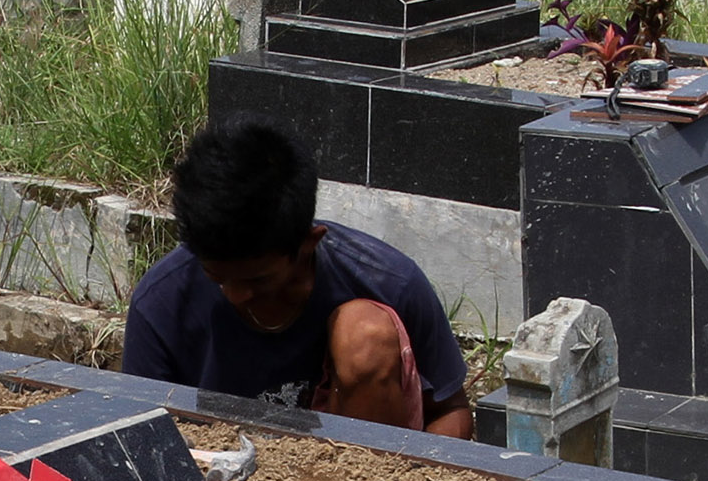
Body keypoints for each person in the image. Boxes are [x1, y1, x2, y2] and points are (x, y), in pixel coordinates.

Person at [123, 120, 474, 438]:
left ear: (308, 244)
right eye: (216, 277)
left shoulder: (388, 280)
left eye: (258, 280)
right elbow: (137, 431)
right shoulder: (161, 302)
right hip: (219, 479)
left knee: (364, 333)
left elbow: (450, 410)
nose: (236, 295)